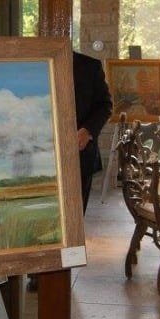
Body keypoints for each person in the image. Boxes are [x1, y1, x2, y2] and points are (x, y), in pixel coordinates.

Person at [28, 49, 113, 292]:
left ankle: (62, 271)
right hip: (41, 159)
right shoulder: (34, 64)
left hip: (79, 158)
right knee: (43, 216)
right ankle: (39, 270)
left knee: (72, 219)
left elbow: (105, 105)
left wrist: (87, 131)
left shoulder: (90, 66)